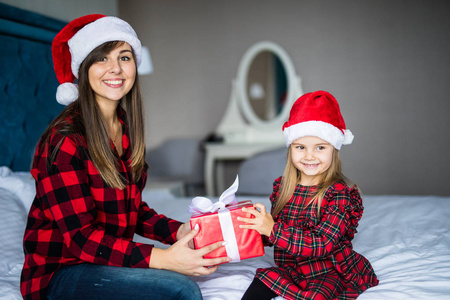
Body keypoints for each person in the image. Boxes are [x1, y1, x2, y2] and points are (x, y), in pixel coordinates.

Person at [20, 14, 229, 300]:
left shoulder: (123, 127)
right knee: (180, 289)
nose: (115, 69)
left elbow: (131, 210)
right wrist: (165, 259)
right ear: (83, 69)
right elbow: (81, 239)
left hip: (102, 262)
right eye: (102, 58)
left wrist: (178, 231)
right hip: (60, 274)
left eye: (124, 57)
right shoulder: (64, 140)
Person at [239, 91, 379, 300]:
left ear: (334, 150)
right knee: (261, 281)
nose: (309, 156)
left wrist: (273, 229)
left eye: (320, 147)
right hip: (292, 267)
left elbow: (322, 244)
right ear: (290, 149)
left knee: (316, 297)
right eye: (301, 147)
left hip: (328, 270)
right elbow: (278, 233)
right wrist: (256, 227)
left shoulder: (340, 194)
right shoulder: (284, 188)